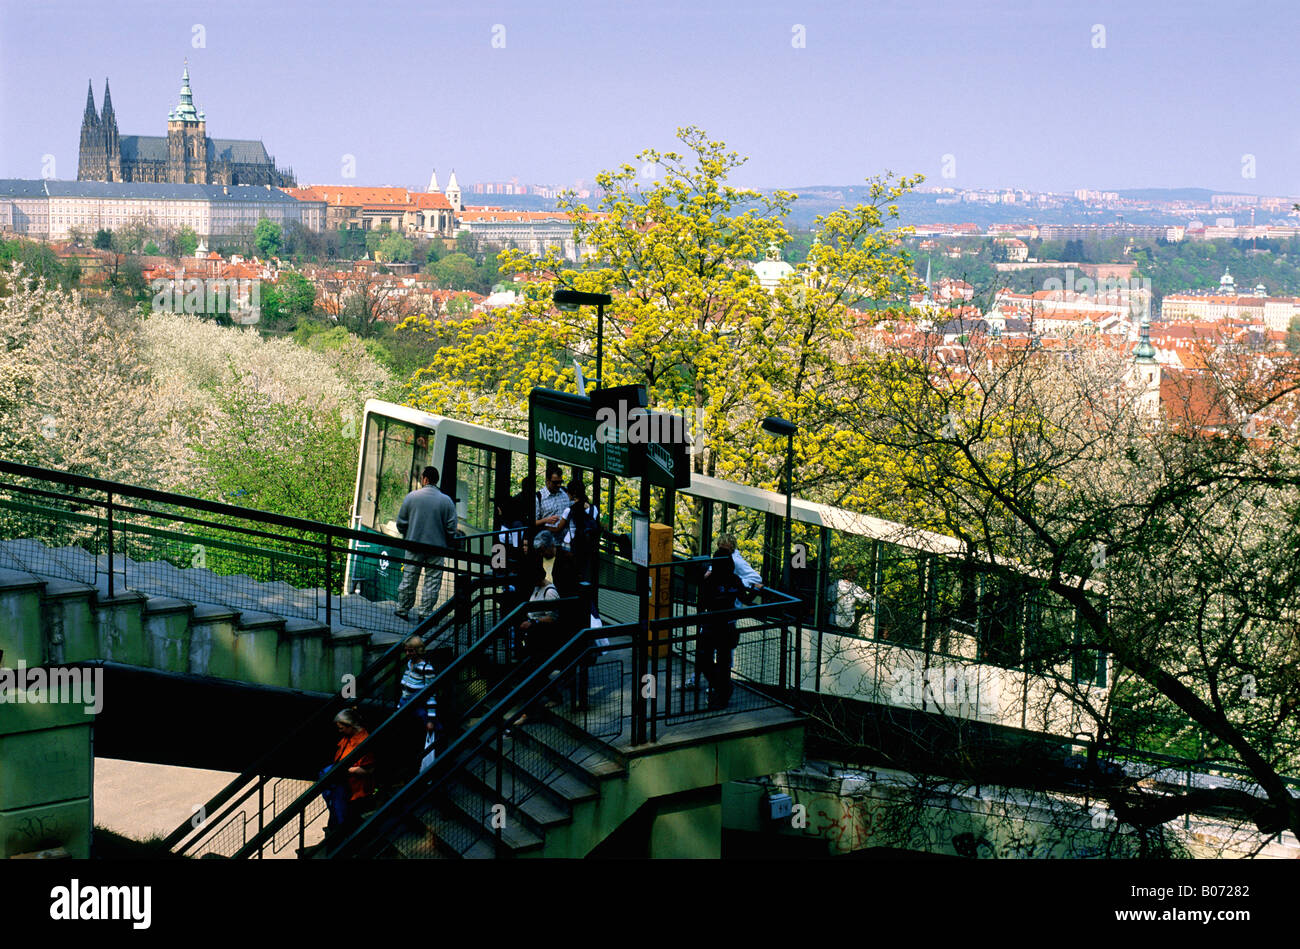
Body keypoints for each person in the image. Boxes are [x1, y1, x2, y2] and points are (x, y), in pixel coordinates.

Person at [394, 466, 458, 622]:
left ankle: (402, 609)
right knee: (432, 581)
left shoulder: (411, 497)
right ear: (435, 480)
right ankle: (425, 613)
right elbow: (451, 528)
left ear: (425, 479)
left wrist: (408, 534)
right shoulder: (446, 501)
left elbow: (401, 523)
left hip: (414, 545)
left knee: (409, 578)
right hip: (437, 548)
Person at [697, 549, 745, 709]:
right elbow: (745, 597)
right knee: (723, 663)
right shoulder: (735, 579)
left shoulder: (709, 580)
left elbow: (702, 603)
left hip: (711, 626)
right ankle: (723, 693)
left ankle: (721, 691)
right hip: (728, 627)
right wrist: (757, 588)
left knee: (705, 660)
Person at [324, 708, 375, 840]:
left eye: (341, 728)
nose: (339, 731)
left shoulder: (363, 742)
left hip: (352, 787)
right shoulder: (348, 737)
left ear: (350, 726)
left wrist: (348, 770)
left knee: (342, 819)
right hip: (341, 782)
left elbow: (369, 770)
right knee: (336, 814)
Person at [398, 636, 438, 773]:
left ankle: (417, 772)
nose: (408, 654)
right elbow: (405, 688)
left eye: (411, 651)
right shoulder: (410, 664)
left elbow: (431, 694)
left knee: (416, 742)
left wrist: (431, 720)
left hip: (417, 711)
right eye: (406, 651)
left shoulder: (426, 668)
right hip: (406, 706)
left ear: (419, 651)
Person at [533, 464, 569, 538]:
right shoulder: (539, 497)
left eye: (560, 482)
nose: (559, 485)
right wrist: (545, 520)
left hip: (565, 540)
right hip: (548, 541)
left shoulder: (566, 493)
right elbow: (532, 522)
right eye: (555, 482)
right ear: (547, 481)